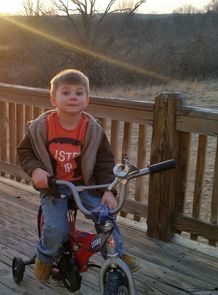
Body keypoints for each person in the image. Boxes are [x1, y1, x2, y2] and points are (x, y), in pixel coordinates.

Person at [17, 69, 140, 283]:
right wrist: (36, 170)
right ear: (53, 98)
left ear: (86, 100)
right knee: (56, 227)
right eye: (66, 92)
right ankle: (45, 258)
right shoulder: (40, 128)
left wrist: (108, 191)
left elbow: (104, 163)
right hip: (54, 186)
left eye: (79, 93)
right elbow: (24, 153)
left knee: (106, 216)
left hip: (86, 185)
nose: (73, 97)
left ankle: (116, 254)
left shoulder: (92, 130)